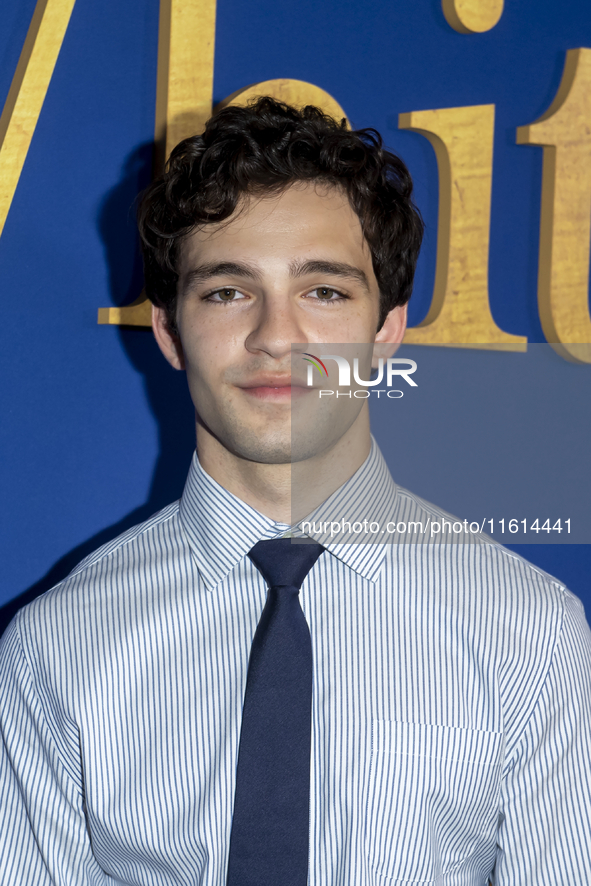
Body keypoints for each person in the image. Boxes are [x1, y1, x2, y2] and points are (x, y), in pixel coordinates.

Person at [1, 97, 590, 886]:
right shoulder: (55, 647)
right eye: (226, 291)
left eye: (324, 291)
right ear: (170, 333)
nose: (276, 335)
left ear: (385, 331)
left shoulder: (530, 634)